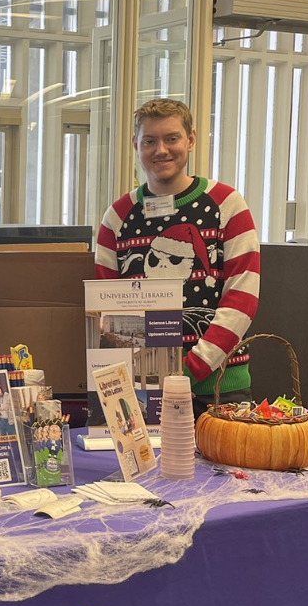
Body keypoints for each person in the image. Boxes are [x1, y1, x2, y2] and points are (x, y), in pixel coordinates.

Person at [95, 99, 260, 417]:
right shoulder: (117, 218)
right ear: (136, 145)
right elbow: (109, 311)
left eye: (171, 138)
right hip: (143, 391)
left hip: (219, 390)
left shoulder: (227, 205)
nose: (161, 150)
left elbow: (242, 298)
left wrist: (189, 370)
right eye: (149, 141)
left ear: (191, 140)